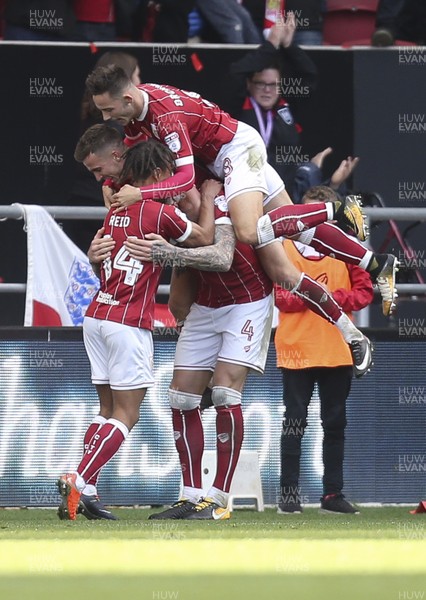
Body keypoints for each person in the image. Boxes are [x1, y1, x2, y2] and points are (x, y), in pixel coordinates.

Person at [84, 62, 398, 332]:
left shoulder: (165, 115)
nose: (105, 116)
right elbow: (136, 162)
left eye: (108, 110)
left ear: (126, 98)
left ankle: (339, 207)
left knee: (249, 230)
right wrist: (111, 183)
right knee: (298, 230)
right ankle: (376, 263)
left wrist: (140, 192)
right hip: (219, 159)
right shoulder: (137, 109)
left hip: (236, 152)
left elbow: (185, 178)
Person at [56, 137, 215, 521]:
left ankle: (87, 490)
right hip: (128, 322)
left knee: (107, 409)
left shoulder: (114, 212)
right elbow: (205, 238)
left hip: (97, 314)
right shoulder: (159, 212)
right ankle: (79, 477)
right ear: (159, 175)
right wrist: (208, 198)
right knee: (128, 414)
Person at [275, 185, 374, 515]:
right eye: (305, 213)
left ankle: (332, 494)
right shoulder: (284, 248)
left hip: (336, 349)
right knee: (295, 422)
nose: (309, 220)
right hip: (296, 347)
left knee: (335, 424)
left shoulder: (349, 251)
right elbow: (278, 295)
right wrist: (319, 297)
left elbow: (364, 292)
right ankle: (288, 493)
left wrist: (328, 299)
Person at [229, 13, 318, 199]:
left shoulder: (287, 105)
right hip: (248, 194)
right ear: (249, 84)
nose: (267, 90)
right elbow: (235, 72)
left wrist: (288, 45)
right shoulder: (239, 106)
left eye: (273, 85)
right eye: (261, 83)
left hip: (285, 196)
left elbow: (309, 75)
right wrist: (270, 45)